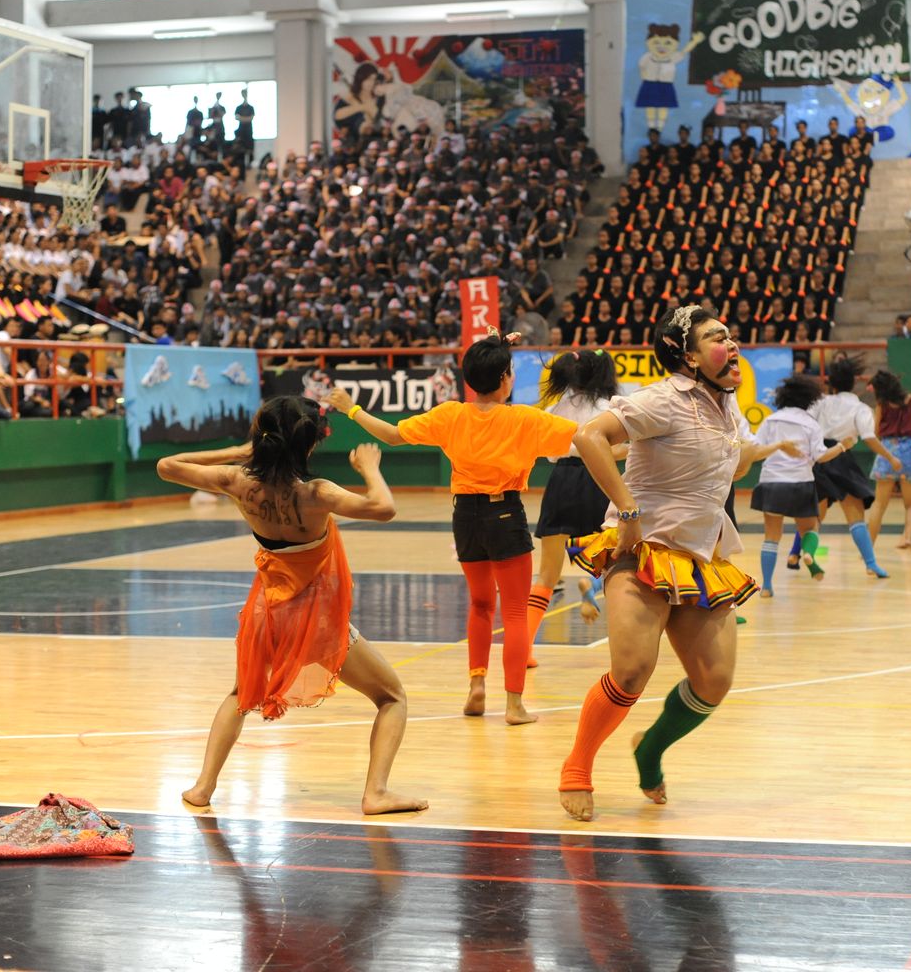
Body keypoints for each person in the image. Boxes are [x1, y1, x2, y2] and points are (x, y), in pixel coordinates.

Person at [559, 305, 798, 822]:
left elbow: (736, 460)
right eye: (717, 338)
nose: (731, 345)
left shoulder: (728, 409)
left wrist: (767, 448)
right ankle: (577, 766)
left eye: (730, 335)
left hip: (700, 556)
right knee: (632, 671)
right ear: (688, 357)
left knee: (714, 681)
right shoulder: (663, 400)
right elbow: (588, 437)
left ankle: (649, 750)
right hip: (643, 551)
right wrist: (627, 510)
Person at [155, 397, 426, 815]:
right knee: (392, 697)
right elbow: (383, 508)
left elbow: (166, 466)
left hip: (265, 613)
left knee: (241, 695)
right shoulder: (317, 493)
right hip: (314, 619)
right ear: (310, 445)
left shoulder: (237, 481)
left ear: (261, 439)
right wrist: (370, 468)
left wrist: (238, 452)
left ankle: (203, 787)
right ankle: (376, 793)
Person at [328, 331, 577, 726]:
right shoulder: (524, 419)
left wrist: (352, 410)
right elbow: (587, 436)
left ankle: (476, 687)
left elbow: (392, 435)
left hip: (465, 517)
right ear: (505, 378)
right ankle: (514, 705)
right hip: (505, 513)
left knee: (480, 605)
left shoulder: (450, 415)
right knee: (515, 612)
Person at [529, 349, 624, 658]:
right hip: (598, 479)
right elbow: (617, 451)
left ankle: (524, 649)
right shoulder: (609, 408)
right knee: (610, 559)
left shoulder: (556, 407)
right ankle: (590, 584)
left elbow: (547, 452)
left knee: (547, 575)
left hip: (561, 479)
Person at [787, 355, 896, 578]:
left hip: (818, 457)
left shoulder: (820, 402)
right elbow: (869, 437)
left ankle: (795, 554)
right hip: (842, 457)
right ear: (853, 383)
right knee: (856, 518)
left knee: (813, 518)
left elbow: (804, 425)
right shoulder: (860, 408)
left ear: (832, 383)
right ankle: (871, 564)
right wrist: (890, 457)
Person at [750, 375, 856, 596]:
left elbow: (756, 450)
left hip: (772, 481)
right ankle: (807, 553)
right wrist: (842, 447)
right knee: (810, 528)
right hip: (801, 483)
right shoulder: (811, 424)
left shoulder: (771, 420)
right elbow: (821, 457)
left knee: (771, 537)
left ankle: (767, 586)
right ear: (810, 399)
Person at [865, 370, 911, 555]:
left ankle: (868, 549)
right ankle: (908, 538)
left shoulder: (882, 404)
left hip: (888, 452)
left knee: (879, 504)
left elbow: (875, 431)